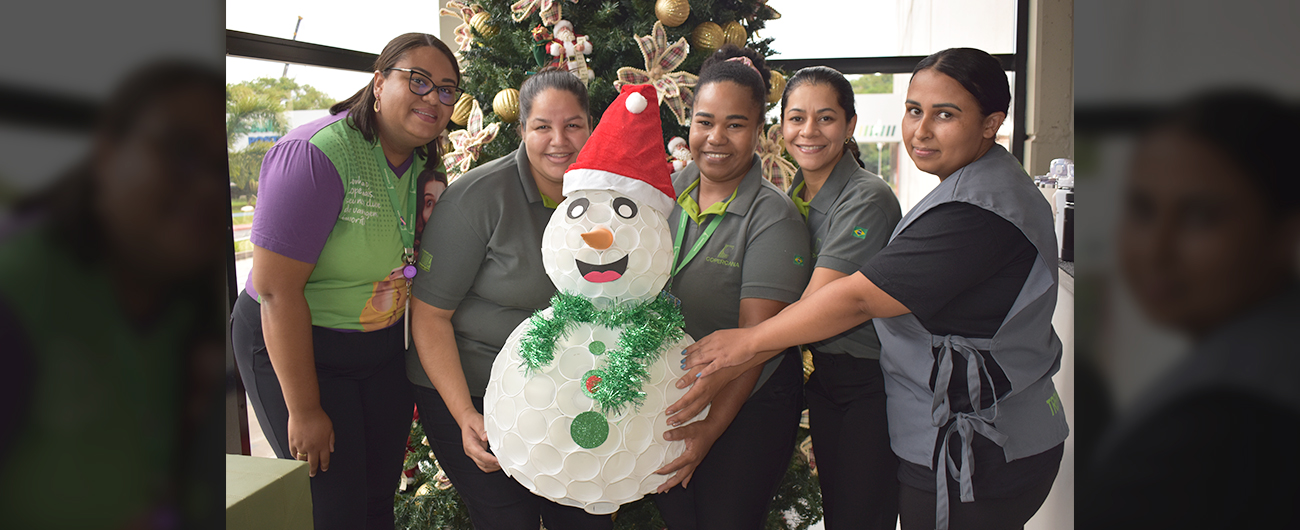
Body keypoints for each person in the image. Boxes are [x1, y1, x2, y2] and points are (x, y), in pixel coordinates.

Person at [679, 48, 1068, 530]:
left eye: (945, 115)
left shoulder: (974, 208)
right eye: (914, 110)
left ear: (991, 124)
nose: (921, 130)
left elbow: (858, 297)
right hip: (943, 422)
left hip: (978, 444)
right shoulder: (962, 186)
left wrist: (744, 345)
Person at [230, 33, 459, 529]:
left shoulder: (425, 162)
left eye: (446, 89)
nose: (433, 98)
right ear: (379, 82)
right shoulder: (316, 155)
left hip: (378, 347)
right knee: (335, 510)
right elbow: (275, 291)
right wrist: (304, 409)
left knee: (377, 502)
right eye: (418, 81)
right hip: (297, 342)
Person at [0, 60, 227, 530]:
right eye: (181, 150)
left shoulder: (177, 301)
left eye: (217, 166)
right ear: (106, 152)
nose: (206, 186)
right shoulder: (22, 291)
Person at [1080, 90, 1300, 529]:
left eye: (1201, 217)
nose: (1157, 251)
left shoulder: (1222, 433)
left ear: (1285, 231)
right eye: (1142, 210)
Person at [406, 68, 609, 529]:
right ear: (521, 130)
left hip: (565, 391)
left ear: (591, 126)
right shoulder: (476, 199)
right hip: (473, 387)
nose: (559, 140)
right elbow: (429, 317)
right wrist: (465, 414)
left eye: (573, 125)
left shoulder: (609, 198)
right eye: (542, 126)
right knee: (507, 518)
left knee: (583, 516)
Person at [652, 44, 812, 529]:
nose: (715, 138)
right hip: (677, 389)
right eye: (704, 122)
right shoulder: (664, 193)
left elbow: (753, 346)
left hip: (748, 401)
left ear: (758, 131)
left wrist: (708, 430)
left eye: (735, 125)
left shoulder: (773, 219)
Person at [780, 66, 903, 530]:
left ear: (850, 125)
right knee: (839, 512)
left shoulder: (867, 198)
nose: (808, 131)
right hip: (825, 379)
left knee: (859, 517)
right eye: (797, 118)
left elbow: (818, 305)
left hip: (870, 384)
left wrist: (738, 347)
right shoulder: (792, 196)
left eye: (826, 118)